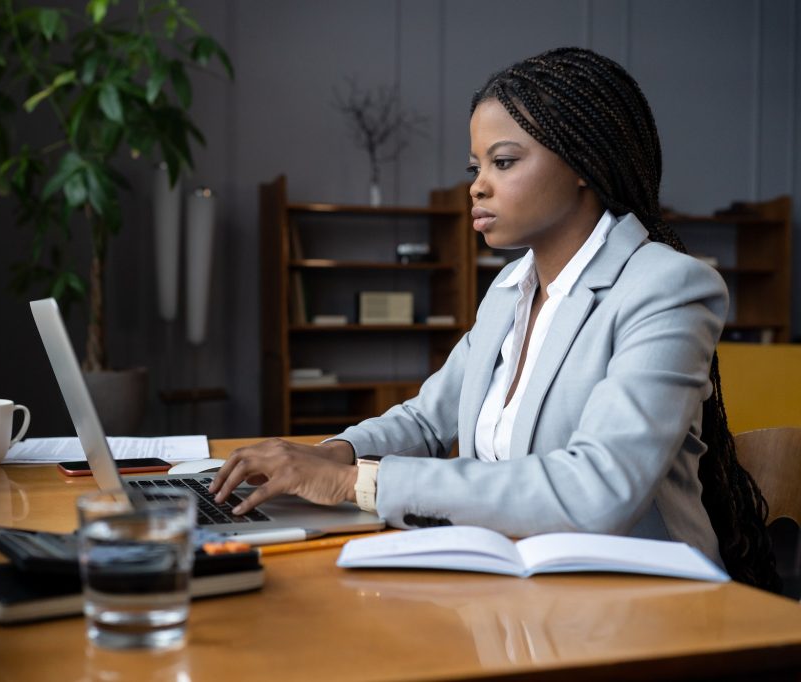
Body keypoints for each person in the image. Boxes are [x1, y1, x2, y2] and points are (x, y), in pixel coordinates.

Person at [210, 47, 779, 591]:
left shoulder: (666, 287)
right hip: (515, 580)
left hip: (642, 596)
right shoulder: (510, 288)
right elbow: (428, 423)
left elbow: (598, 489)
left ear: (584, 163)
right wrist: (334, 453)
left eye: (503, 162)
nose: (477, 185)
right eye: (475, 165)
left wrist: (353, 483)